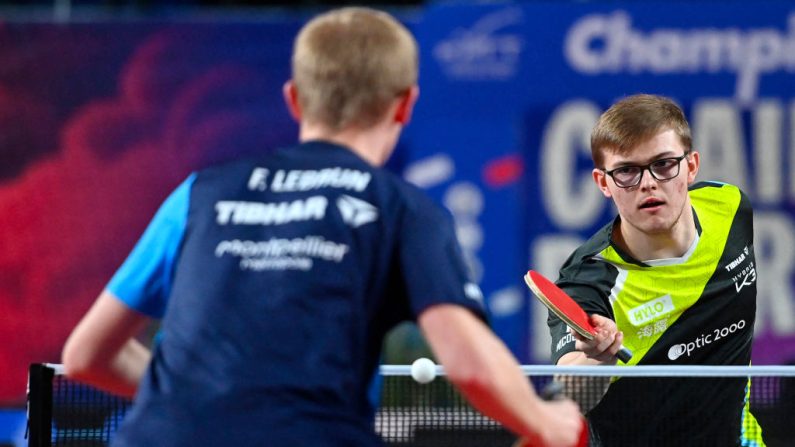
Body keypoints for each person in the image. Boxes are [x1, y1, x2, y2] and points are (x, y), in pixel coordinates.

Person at [62, 7, 584, 447]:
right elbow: (468, 362)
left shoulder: (199, 194)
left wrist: (209, 396)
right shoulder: (400, 208)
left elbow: (85, 356)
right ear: (406, 103)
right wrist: (548, 423)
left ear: (294, 98)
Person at [546, 94, 764, 446]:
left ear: (691, 166)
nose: (648, 183)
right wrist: (599, 360)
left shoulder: (730, 207)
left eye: (663, 164)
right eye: (627, 171)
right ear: (604, 183)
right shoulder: (589, 281)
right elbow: (571, 391)